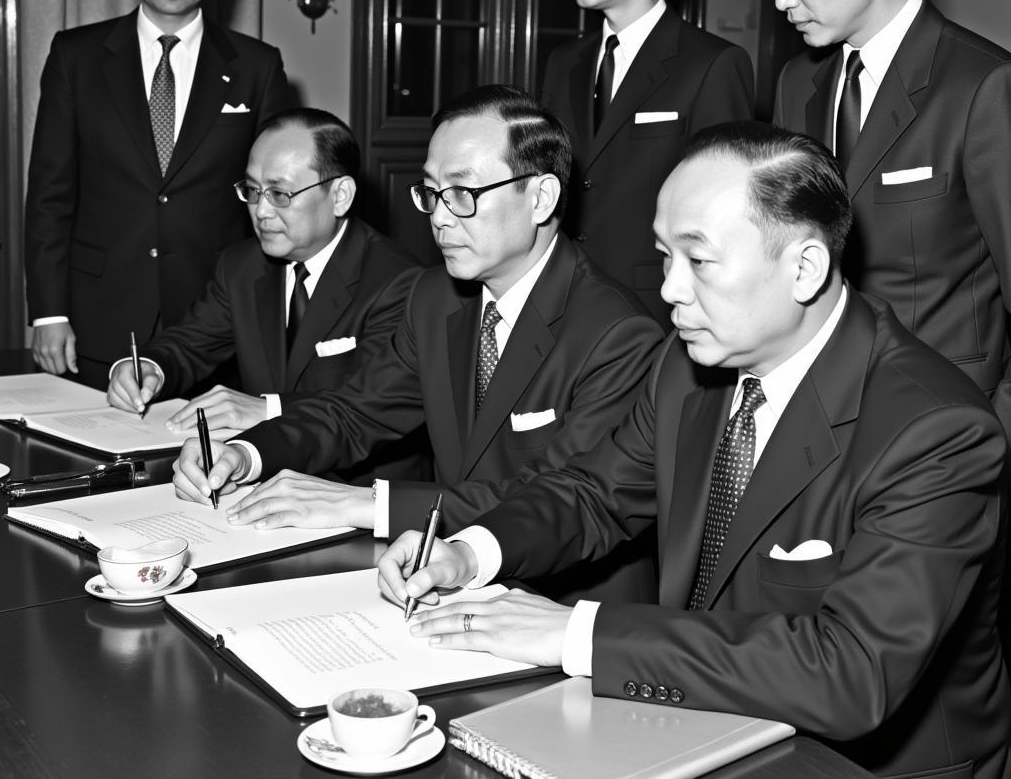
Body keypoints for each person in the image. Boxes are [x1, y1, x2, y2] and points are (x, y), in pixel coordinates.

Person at [379, 121, 1010, 779]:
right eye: (664, 256)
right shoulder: (686, 370)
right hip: (702, 720)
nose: (671, 289)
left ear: (805, 267)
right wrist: (469, 551)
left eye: (699, 260)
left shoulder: (937, 431)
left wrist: (576, 633)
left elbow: (850, 672)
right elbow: (595, 494)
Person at [173, 85, 665, 603]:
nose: (440, 217)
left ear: (541, 197)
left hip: (561, 599)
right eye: (431, 192)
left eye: (463, 193)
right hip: (436, 578)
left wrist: (368, 504)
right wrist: (246, 453)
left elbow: (553, 497)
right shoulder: (435, 296)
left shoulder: (617, 333)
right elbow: (356, 410)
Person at [748, 0, 1011, 431]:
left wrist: (995, 445)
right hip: (815, 415)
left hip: (943, 425)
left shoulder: (984, 85)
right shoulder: (799, 82)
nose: (781, 1)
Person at [25, 0, 294, 389]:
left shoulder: (258, 66)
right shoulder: (75, 57)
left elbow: (274, 201)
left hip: (214, 323)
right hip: (96, 320)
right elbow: (49, 195)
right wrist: (47, 313)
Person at [106, 108, 427, 483]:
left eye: (279, 193)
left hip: (358, 488)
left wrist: (266, 408)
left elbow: (364, 405)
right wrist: (149, 368)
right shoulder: (241, 265)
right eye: (252, 191)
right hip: (257, 473)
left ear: (340, 195)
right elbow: (191, 342)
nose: (260, 211)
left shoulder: (401, 281)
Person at [541, 0, 754, 329]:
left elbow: (724, 212)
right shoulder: (564, 62)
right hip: (560, 297)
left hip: (654, 309)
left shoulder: (713, 64)